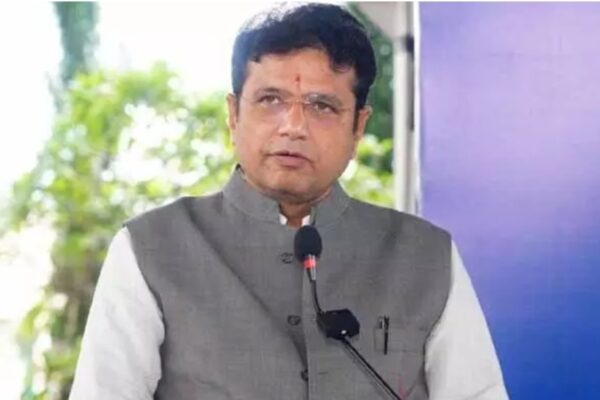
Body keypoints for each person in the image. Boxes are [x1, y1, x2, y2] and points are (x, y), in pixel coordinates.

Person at [69, 3, 508, 400]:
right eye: (270, 100)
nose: (293, 126)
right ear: (234, 115)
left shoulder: (425, 256)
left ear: (358, 127)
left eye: (322, 106)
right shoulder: (151, 249)